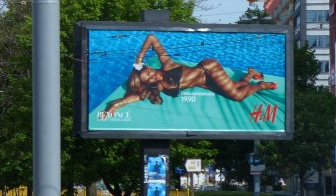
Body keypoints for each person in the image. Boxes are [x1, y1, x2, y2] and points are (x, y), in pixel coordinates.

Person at [101, 33, 278, 117]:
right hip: (204, 82)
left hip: (209, 69)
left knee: (237, 95)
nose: (152, 74)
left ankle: (263, 85)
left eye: (148, 70)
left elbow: (152, 38)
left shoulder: (167, 64)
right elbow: (131, 99)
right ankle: (251, 74)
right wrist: (112, 108)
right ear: (148, 83)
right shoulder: (158, 88)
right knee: (236, 87)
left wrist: (139, 59)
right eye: (148, 77)